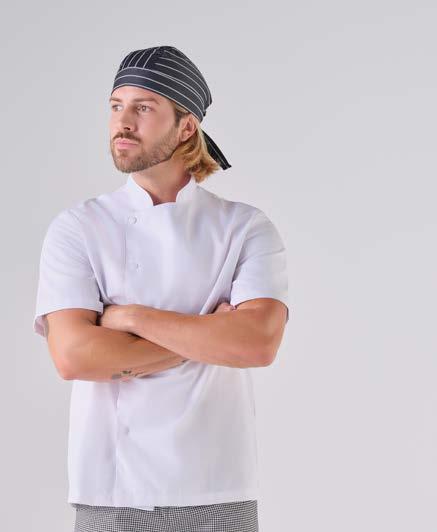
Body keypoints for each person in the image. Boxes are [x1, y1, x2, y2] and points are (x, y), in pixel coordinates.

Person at [33, 45, 289, 532]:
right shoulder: (79, 228)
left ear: (186, 126)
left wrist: (129, 318)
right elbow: (74, 357)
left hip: (218, 489)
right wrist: (209, 334)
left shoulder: (244, 228)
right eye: (116, 106)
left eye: (143, 108)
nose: (122, 122)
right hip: (111, 492)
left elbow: (257, 343)